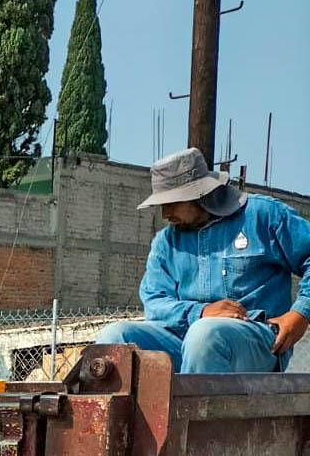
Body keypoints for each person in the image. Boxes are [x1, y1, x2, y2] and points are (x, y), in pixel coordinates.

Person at [97, 148, 310, 373]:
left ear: (198, 194)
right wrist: (200, 312)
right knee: (112, 338)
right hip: (183, 339)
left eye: (171, 202)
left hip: (255, 338)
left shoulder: (263, 216)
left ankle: (191, 409)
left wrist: (300, 314)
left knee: (205, 335)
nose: (165, 214)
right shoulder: (165, 242)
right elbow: (155, 302)